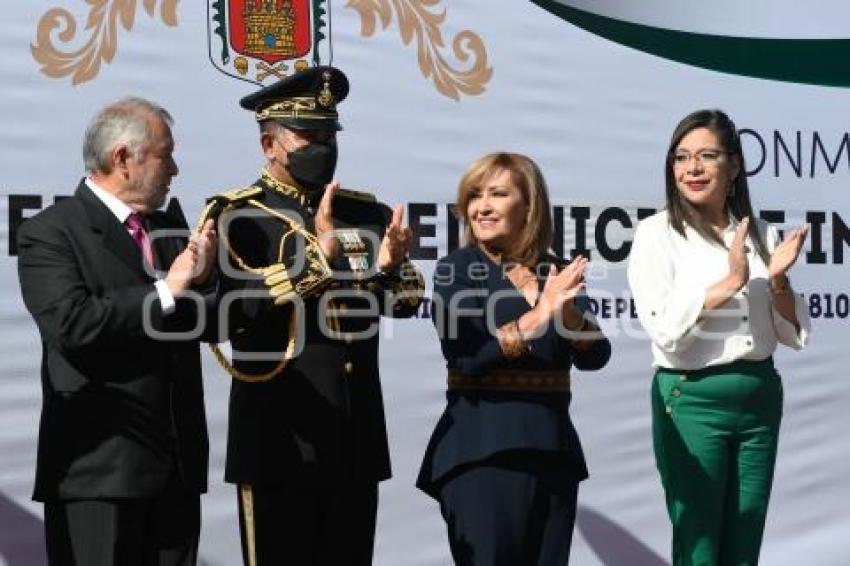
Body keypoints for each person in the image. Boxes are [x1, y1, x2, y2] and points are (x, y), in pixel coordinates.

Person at [203, 66, 425, 565]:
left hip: (353, 437)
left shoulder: (363, 212)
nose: (322, 146)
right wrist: (315, 260)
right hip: (279, 440)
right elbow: (221, 317)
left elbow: (408, 301)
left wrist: (387, 268)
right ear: (269, 145)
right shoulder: (238, 216)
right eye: (309, 135)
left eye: (329, 135)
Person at [16, 97, 217, 566]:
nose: (176, 169)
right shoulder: (52, 232)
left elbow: (204, 324)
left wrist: (206, 279)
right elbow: (73, 324)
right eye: (166, 155)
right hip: (99, 477)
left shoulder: (169, 229)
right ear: (123, 159)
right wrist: (167, 289)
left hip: (176, 475)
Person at [627, 109, 811, 565]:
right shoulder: (656, 235)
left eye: (707, 156)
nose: (692, 168)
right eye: (682, 157)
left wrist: (780, 280)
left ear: (734, 167)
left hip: (759, 400)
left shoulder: (762, 233)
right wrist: (728, 283)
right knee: (700, 544)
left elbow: (793, 332)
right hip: (692, 401)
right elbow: (665, 329)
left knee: (745, 541)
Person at [416, 152, 611, 565]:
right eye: (474, 196)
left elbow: (596, 356)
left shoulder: (554, 270)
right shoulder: (457, 269)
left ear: (529, 204)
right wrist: (540, 314)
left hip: (553, 454)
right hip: (483, 455)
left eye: (498, 194)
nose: (481, 206)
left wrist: (569, 311)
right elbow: (467, 357)